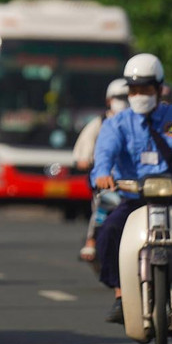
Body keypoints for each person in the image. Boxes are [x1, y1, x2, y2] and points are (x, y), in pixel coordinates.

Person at [91, 53, 172, 325]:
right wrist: (102, 174)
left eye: (146, 88)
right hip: (133, 200)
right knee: (109, 231)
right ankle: (120, 296)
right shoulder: (116, 123)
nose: (139, 95)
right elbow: (104, 153)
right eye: (134, 89)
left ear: (159, 88)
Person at [73, 78, 129, 263]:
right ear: (108, 100)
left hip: (133, 178)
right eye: (119, 97)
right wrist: (85, 159)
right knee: (103, 207)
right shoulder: (102, 122)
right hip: (107, 179)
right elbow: (86, 145)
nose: (124, 101)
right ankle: (92, 240)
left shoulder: (137, 121)